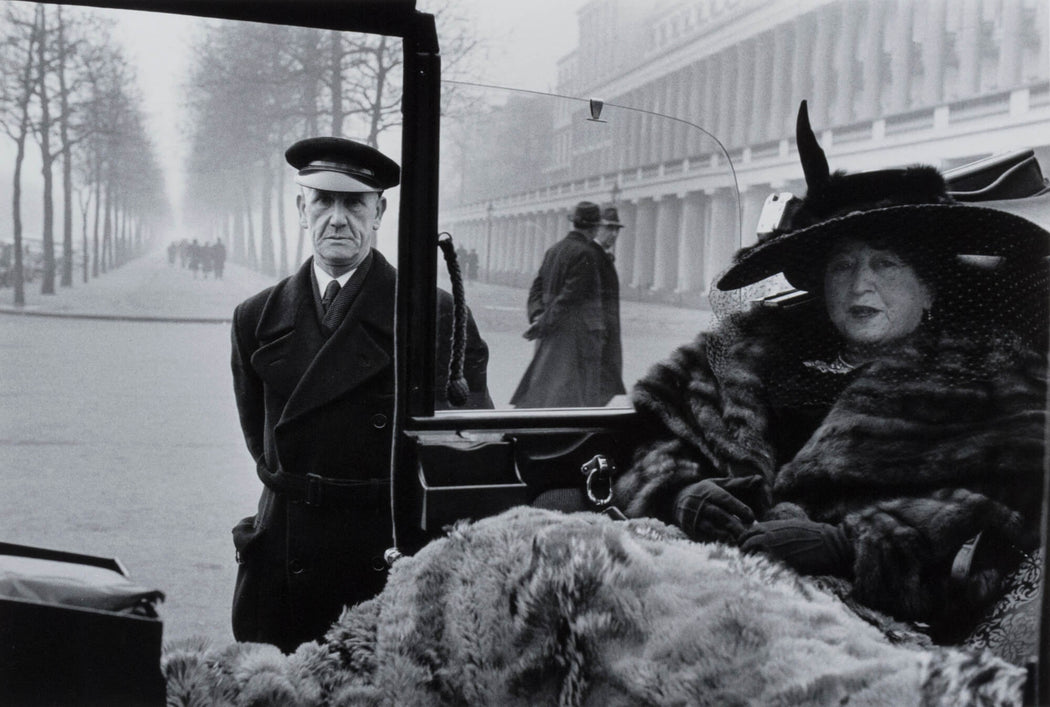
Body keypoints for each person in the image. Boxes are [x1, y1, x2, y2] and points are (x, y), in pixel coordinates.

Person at [612, 102, 1049, 647]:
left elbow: (1007, 522)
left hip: (863, 630)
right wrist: (681, 494)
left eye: (885, 264)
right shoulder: (740, 355)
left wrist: (849, 547)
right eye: (843, 266)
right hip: (702, 586)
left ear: (931, 284)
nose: (859, 285)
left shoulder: (992, 375)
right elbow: (650, 442)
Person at [230, 136, 493, 652]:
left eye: (354, 203)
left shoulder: (431, 315)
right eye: (323, 200)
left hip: (385, 560)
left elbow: (469, 447)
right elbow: (261, 444)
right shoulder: (254, 318)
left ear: (380, 212)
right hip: (283, 558)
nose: (337, 218)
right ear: (301, 208)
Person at [511, 201, 608, 408]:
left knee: (544, 387)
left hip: (549, 331)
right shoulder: (587, 254)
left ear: (574, 223)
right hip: (573, 335)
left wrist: (537, 315)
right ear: (595, 227)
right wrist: (543, 323)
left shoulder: (553, 250)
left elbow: (536, 288)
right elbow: (570, 298)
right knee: (568, 395)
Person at [595, 205, 626, 405]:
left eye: (616, 229)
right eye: (609, 228)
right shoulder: (591, 255)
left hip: (608, 334)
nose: (614, 234)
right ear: (597, 227)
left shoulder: (603, 255)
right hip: (599, 334)